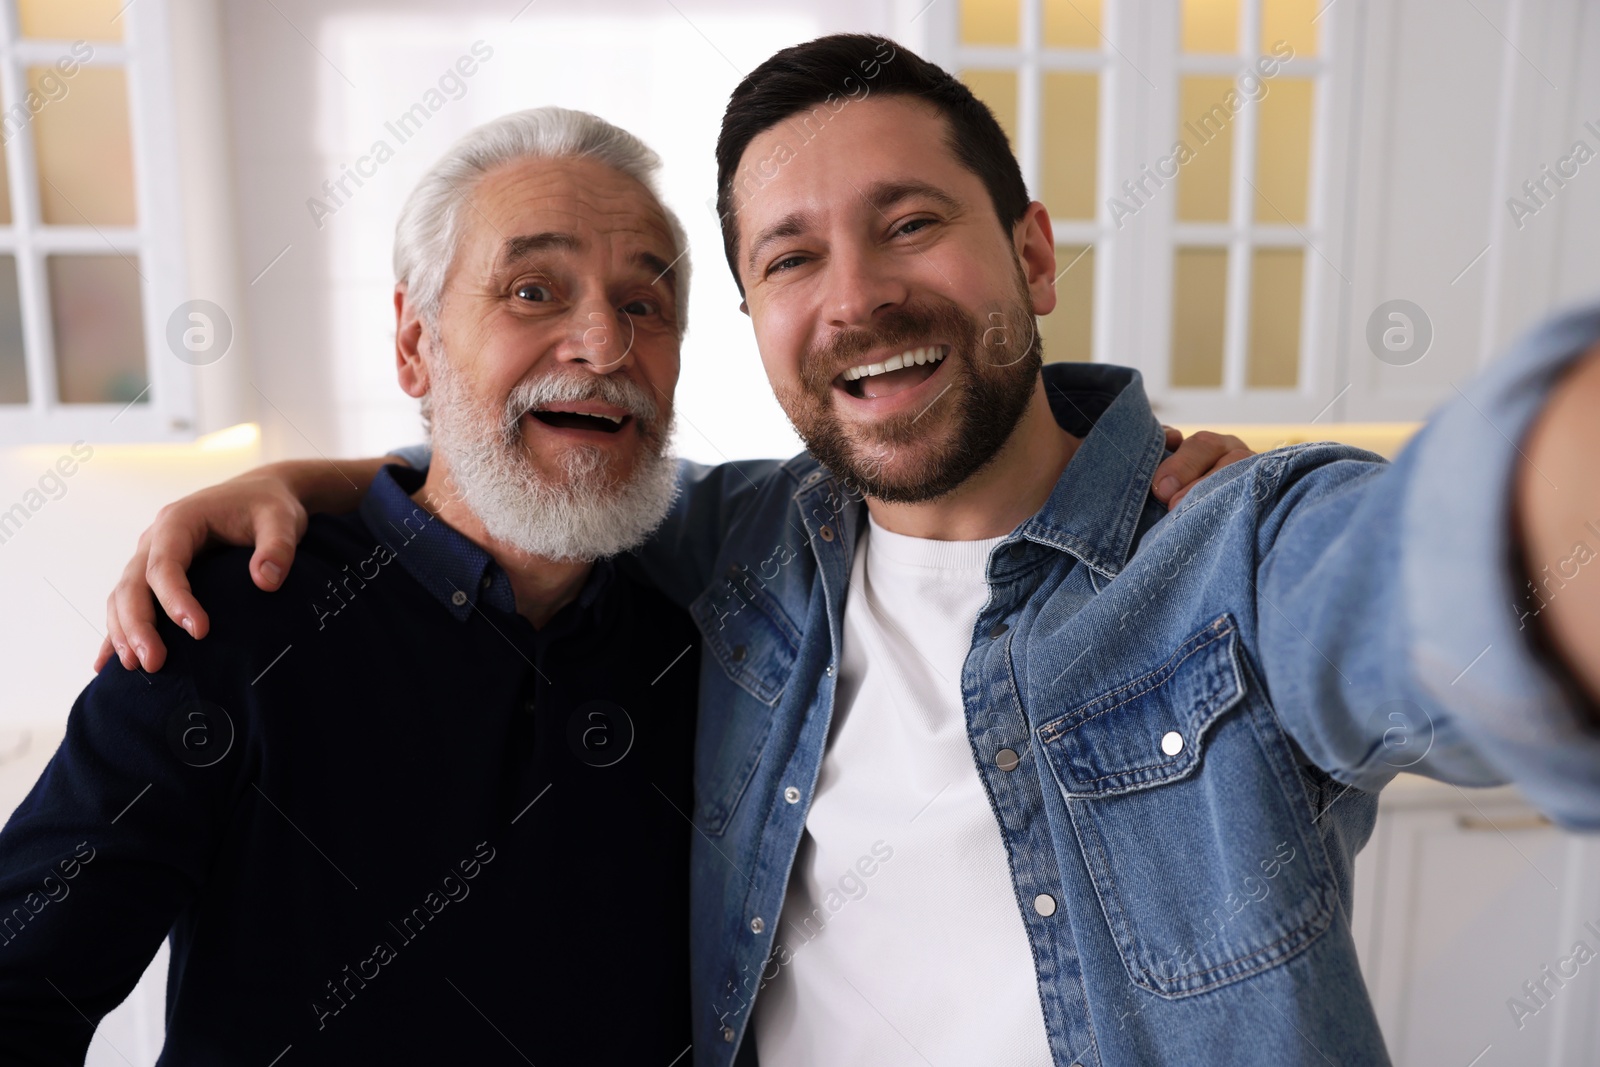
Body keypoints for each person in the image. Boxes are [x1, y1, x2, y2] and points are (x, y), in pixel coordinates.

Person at [132, 36, 1600, 1067]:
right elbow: (532, 463)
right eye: (788, 258)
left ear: (1029, 253)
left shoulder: (1231, 552)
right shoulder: (738, 542)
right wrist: (306, 477)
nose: (858, 298)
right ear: (758, 317)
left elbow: (1434, 568)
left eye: (910, 224)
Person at [0, 108, 707, 1064]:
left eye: (645, 304)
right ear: (415, 345)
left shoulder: (709, 649)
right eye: (533, 290)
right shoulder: (227, 618)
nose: (604, 343)